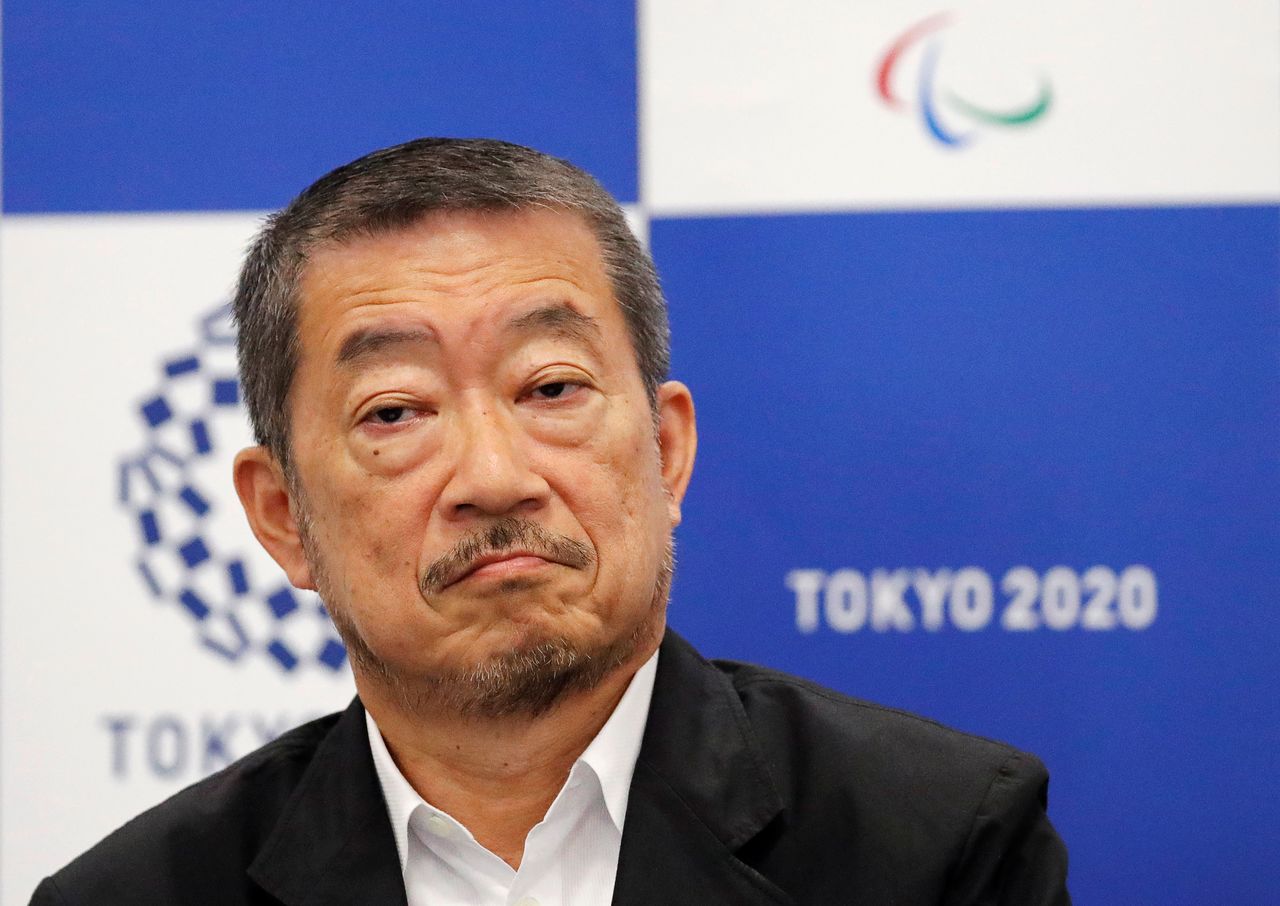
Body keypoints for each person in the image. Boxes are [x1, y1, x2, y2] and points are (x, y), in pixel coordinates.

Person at [32, 138, 1070, 905]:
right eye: (394, 412)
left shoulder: (938, 842)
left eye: (551, 388)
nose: (492, 478)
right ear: (281, 516)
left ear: (665, 450)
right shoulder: (134, 897)